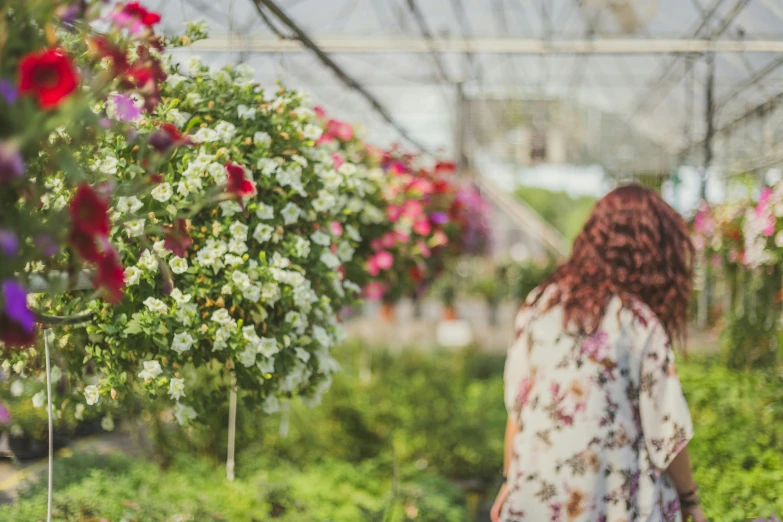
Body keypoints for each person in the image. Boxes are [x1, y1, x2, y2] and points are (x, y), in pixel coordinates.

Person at [491, 185, 707, 522]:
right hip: (614, 501)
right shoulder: (636, 321)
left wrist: (510, 480)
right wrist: (690, 500)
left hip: (539, 499)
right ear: (652, 252)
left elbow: (518, 409)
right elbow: (667, 431)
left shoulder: (541, 303)